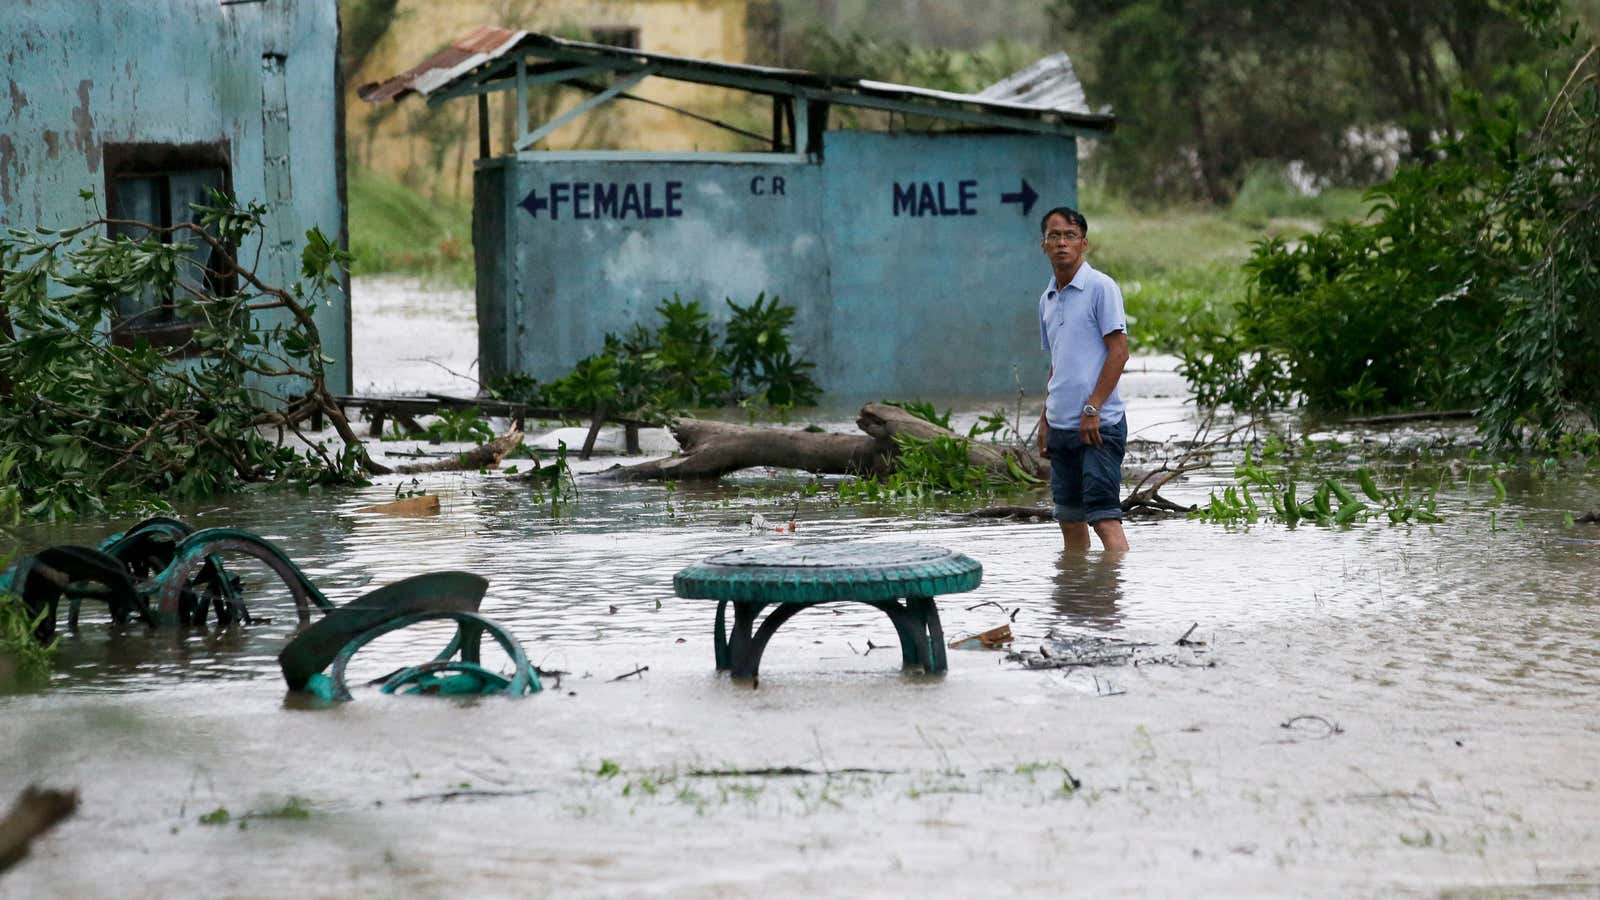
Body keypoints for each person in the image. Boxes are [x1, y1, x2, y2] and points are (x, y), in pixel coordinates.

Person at [1033, 206, 1130, 552]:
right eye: (1054, 236)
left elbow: (1119, 353)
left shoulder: (1101, 288)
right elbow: (1058, 365)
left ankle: (1113, 598)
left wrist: (1094, 407)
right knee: (1070, 521)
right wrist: (1045, 419)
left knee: (1104, 518)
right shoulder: (1047, 298)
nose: (1062, 243)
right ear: (1043, 245)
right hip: (1061, 428)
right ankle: (1077, 598)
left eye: (1070, 235)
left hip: (1099, 425)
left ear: (1083, 244)